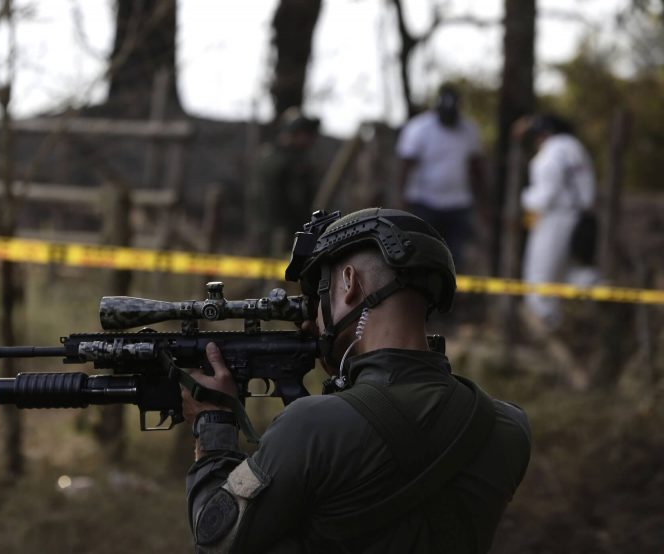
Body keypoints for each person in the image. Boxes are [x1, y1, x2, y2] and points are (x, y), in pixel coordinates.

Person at [182, 207, 531, 553]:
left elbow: (216, 537)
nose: (311, 322)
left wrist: (213, 423)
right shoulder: (507, 429)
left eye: (318, 297)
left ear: (350, 283)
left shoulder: (310, 427)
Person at [518, 114, 598, 332]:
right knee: (570, 269)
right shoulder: (575, 146)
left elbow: (545, 195)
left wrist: (525, 198)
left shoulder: (551, 151)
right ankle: (594, 299)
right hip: (581, 216)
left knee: (539, 275)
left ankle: (548, 324)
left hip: (555, 218)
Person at [395, 84, 487, 272]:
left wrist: (484, 202)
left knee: (454, 255)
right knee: (421, 250)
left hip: (458, 203)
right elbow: (405, 167)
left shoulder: (469, 130)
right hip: (424, 201)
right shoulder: (419, 128)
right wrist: (401, 200)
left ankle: (451, 296)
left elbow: (476, 168)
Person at [255, 107, 321, 256]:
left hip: (287, 234)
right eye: (304, 133)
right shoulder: (281, 161)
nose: (309, 139)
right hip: (279, 236)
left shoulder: (297, 161)